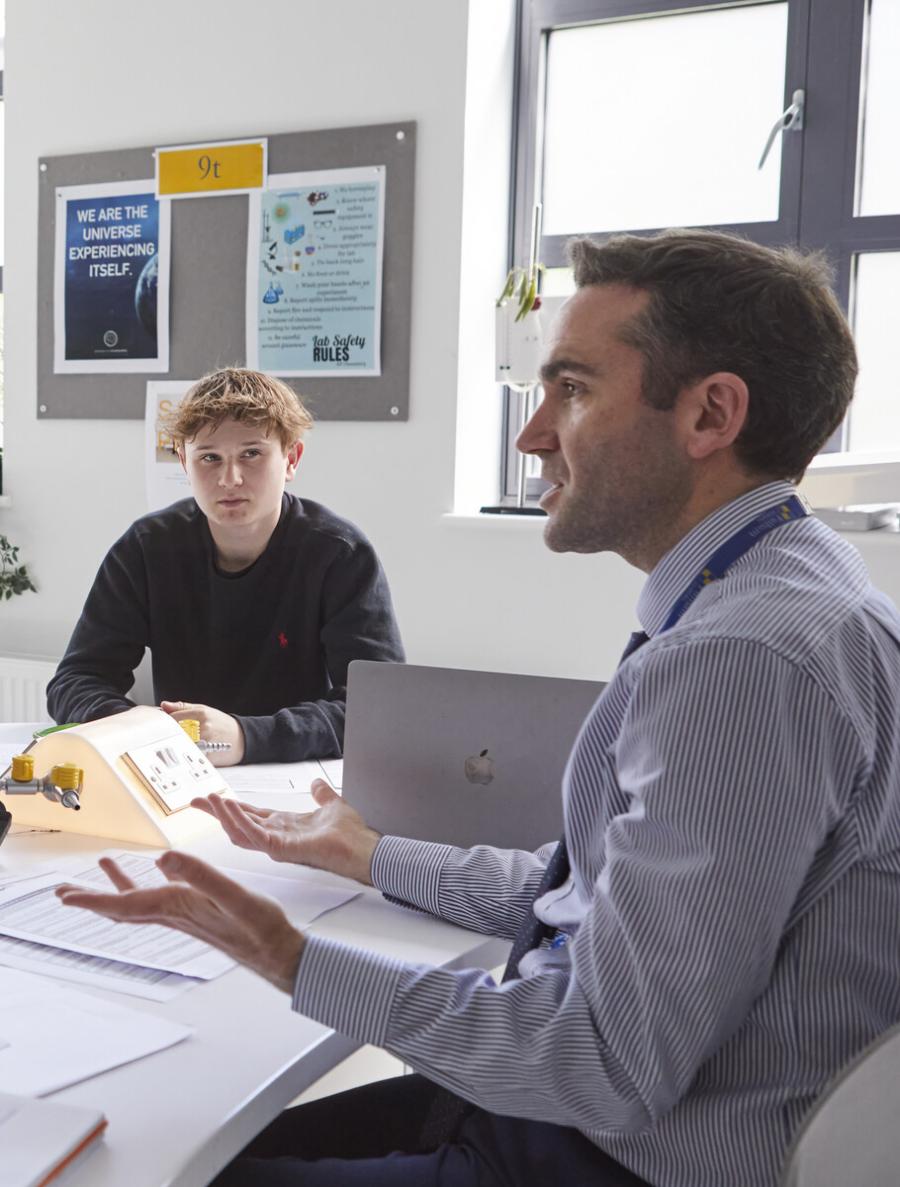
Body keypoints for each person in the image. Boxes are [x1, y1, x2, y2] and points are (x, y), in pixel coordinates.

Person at [58, 230, 900, 1187]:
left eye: (573, 390)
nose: (532, 434)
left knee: (137, 1171)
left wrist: (288, 955)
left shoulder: (744, 662)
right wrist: (370, 853)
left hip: (614, 1154)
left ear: (711, 413)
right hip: (587, 1112)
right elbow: (594, 901)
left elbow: (604, 1063)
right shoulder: (788, 586)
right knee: (176, 1142)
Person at [46, 368, 404, 764]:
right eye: (209, 458)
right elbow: (74, 681)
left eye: (251, 454)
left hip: (300, 774)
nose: (229, 478)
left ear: (291, 458)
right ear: (184, 462)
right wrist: (139, 730)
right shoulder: (146, 549)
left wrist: (245, 736)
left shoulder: (341, 555)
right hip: (178, 770)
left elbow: (380, 710)